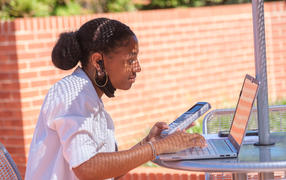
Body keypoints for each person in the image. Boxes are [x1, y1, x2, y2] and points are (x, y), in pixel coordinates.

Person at [25, 17, 206, 180]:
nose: (138, 68)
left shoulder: (87, 96)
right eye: (130, 60)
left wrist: (148, 143)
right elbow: (86, 168)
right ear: (98, 62)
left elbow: (105, 170)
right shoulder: (73, 94)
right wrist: (159, 148)